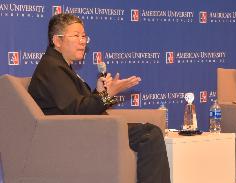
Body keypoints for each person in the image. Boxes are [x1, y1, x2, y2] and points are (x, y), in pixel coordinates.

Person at [28, 13, 170, 183]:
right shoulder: (52, 68)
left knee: (148, 131)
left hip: (83, 129)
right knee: (149, 134)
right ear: (57, 41)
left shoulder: (59, 66)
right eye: (76, 35)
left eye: (84, 36)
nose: (82, 41)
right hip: (71, 136)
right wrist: (109, 94)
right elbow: (78, 111)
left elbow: (78, 108)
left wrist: (99, 92)